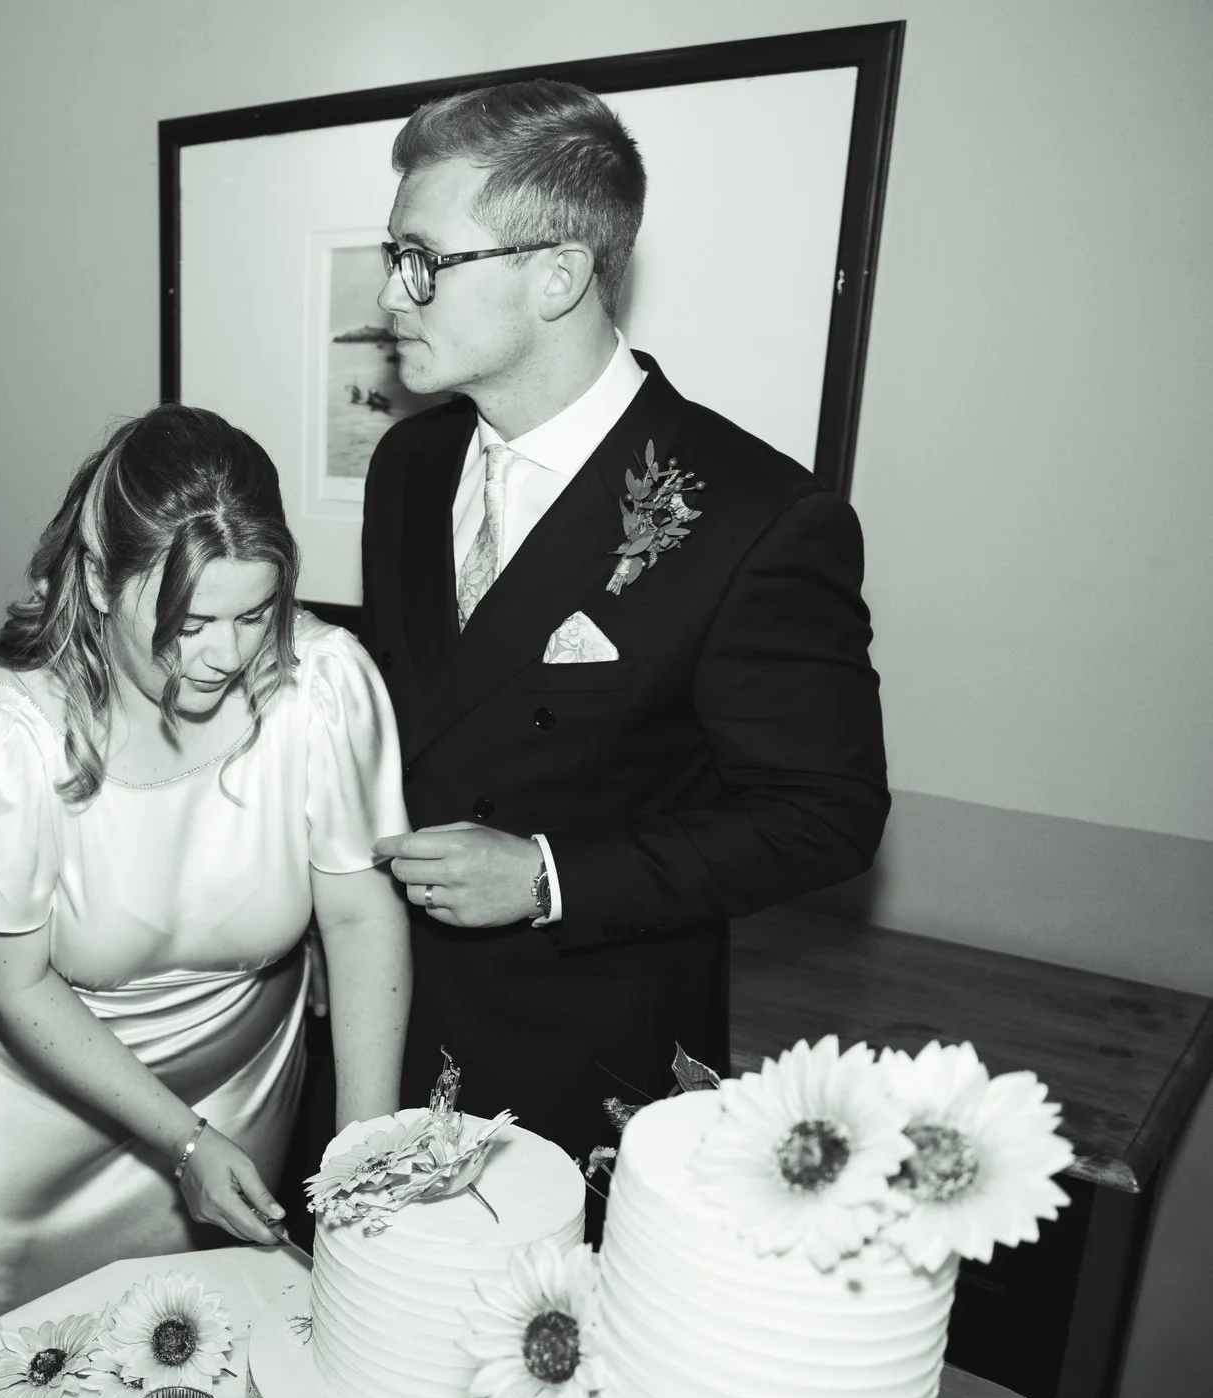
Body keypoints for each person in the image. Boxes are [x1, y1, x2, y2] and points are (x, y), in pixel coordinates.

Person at [356, 82, 887, 1162]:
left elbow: (826, 813)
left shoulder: (756, 514)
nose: (390, 293)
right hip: (380, 1010)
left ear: (557, 274)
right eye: (389, 252)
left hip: (581, 1045)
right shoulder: (408, 465)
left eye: (421, 258)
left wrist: (550, 874)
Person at [0, 405, 411, 1325]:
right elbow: (17, 988)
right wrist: (183, 1145)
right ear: (99, 579)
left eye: (254, 613)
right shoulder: (3, 739)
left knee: (222, 1333)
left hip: (243, 1062)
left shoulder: (324, 685)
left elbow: (360, 915)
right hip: (40, 1081)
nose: (225, 654)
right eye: (188, 621)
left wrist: (358, 1159)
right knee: (50, 1351)